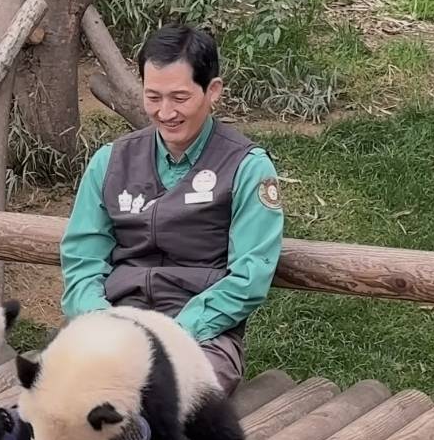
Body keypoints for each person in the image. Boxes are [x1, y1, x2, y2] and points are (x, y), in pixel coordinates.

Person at [59, 22, 285, 395]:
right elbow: (81, 260)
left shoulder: (248, 167)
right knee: (59, 386)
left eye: (179, 98)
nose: (165, 113)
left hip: (199, 332)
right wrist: (99, 322)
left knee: (170, 396)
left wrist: (177, 333)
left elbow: (250, 276)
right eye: (153, 97)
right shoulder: (109, 162)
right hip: (115, 319)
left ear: (213, 91)